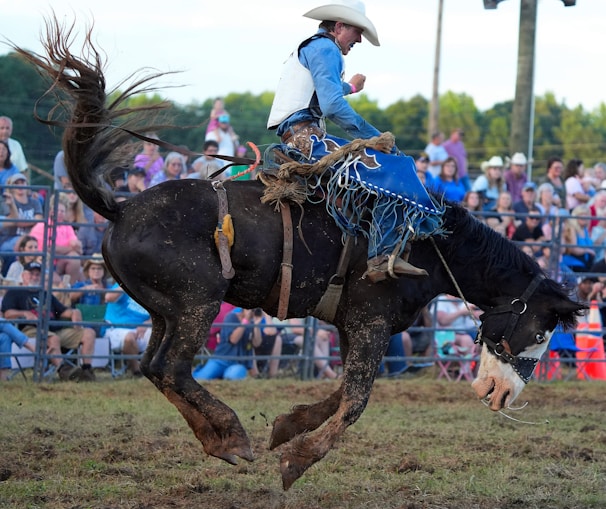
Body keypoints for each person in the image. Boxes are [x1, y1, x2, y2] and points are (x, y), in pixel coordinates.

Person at [267, 0, 442, 283]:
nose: (359, 39)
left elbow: (325, 93)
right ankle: (382, 255)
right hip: (307, 138)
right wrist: (373, 136)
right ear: (339, 27)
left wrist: (350, 87)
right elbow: (332, 105)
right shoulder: (326, 49)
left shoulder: (315, 48)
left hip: (300, 136)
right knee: (396, 167)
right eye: (357, 31)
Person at [1, 261, 97, 381]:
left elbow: (61, 311)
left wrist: (74, 312)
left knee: (89, 333)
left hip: (55, 328)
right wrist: (24, 313)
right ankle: (64, 371)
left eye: (38, 274)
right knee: (53, 338)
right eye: (32, 274)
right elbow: (7, 314)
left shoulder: (45, 294)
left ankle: (86, 370)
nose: (35, 277)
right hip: (31, 330)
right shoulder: (14, 293)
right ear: (23, 275)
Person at [30, 194, 83, 284]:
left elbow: (78, 248)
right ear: (51, 210)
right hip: (43, 262)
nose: (59, 213)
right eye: (57, 210)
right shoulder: (42, 226)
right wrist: (70, 248)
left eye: (62, 211)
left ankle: (68, 290)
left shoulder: (67, 226)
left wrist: (70, 248)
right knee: (72, 255)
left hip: (59, 261)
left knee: (75, 259)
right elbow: (49, 248)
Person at [192, 307, 256, 380]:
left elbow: (256, 344)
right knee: (200, 378)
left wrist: (256, 324)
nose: (252, 312)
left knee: (232, 378)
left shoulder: (252, 323)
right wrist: (245, 321)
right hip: (221, 359)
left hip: (238, 363)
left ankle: (221, 376)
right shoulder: (231, 317)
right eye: (252, 309)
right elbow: (233, 340)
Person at [103, 282, 151, 377]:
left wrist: (147, 323)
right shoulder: (121, 284)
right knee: (129, 338)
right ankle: (136, 370)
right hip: (117, 328)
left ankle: (156, 371)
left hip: (143, 328)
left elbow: (159, 314)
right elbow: (109, 298)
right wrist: (127, 284)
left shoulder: (149, 287)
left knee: (164, 337)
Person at [0, 172, 43, 271]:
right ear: (11, 187)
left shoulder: (34, 201)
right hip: (11, 238)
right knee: (12, 249)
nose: (20, 185)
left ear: (27, 185)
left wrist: (21, 221)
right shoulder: (8, 201)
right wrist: (32, 221)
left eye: (22, 182)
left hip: (33, 237)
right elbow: (15, 221)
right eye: (16, 183)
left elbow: (39, 219)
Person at [561, 204, 595, 272]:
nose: (584, 216)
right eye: (581, 214)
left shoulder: (585, 229)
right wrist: (587, 250)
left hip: (585, 263)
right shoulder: (572, 228)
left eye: (586, 214)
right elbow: (573, 249)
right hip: (573, 263)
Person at [249, 308, 282, 378]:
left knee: (278, 339)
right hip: (247, 344)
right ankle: (256, 375)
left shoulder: (263, 316)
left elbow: (272, 332)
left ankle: (272, 375)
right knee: (249, 342)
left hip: (262, 343)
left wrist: (266, 314)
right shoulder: (243, 313)